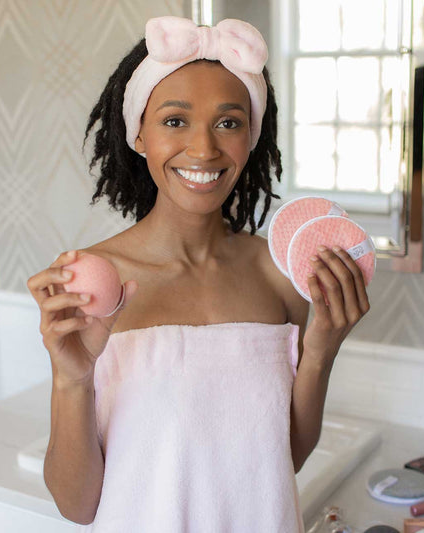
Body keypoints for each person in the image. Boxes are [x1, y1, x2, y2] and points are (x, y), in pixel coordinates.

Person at [27, 15, 370, 532]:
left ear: (251, 137)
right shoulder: (92, 283)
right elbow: (77, 506)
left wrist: (321, 353)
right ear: (139, 134)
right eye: (174, 120)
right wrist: (71, 378)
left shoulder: (277, 274)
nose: (205, 149)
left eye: (228, 123)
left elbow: (284, 459)